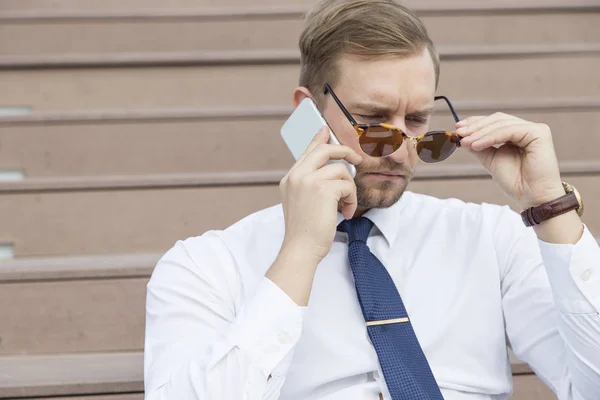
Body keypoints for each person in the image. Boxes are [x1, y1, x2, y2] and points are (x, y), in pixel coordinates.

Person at [143, 1, 600, 399]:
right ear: (308, 111)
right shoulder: (204, 266)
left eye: (418, 121)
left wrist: (549, 206)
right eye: (373, 121)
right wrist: (300, 254)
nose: (402, 149)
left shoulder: (493, 238)